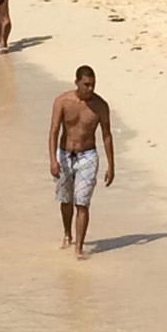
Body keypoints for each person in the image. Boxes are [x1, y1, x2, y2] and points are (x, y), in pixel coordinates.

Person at [48, 66, 114, 261]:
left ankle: (79, 247)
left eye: (93, 85)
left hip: (88, 156)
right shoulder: (62, 101)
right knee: (66, 199)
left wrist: (111, 165)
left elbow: (107, 136)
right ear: (76, 82)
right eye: (86, 85)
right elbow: (53, 131)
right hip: (65, 154)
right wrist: (53, 160)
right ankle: (67, 234)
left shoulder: (100, 106)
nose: (90, 89)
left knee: (82, 203)